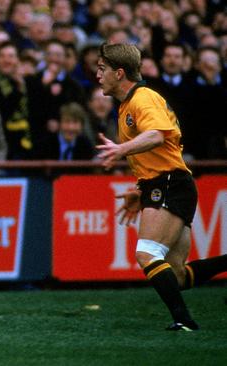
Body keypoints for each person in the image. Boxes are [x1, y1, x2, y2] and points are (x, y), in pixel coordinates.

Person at [95, 42, 227, 331]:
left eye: (102, 69)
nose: (97, 75)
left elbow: (157, 135)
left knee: (147, 254)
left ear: (119, 73)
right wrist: (140, 192)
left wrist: (121, 149)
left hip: (170, 183)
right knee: (177, 275)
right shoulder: (128, 104)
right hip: (168, 183)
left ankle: (184, 320)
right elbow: (156, 153)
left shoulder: (143, 98)